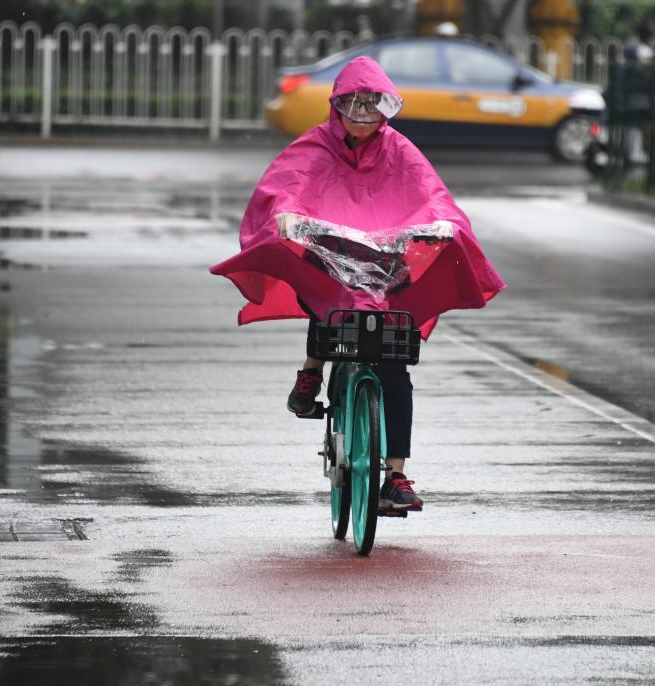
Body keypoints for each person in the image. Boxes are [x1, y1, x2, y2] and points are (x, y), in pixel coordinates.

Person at [210, 57, 505, 512]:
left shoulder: (399, 149)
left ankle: (396, 476)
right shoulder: (314, 146)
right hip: (333, 256)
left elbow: (433, 196)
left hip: (388, 264)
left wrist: (446, 225)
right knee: (326, 292)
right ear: (337, 106)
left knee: (394, 367)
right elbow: (284, 188)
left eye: (373, 105)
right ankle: (311, 373)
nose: (364, 114)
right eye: (354, 104)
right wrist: (285, 217)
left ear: (386, 108)